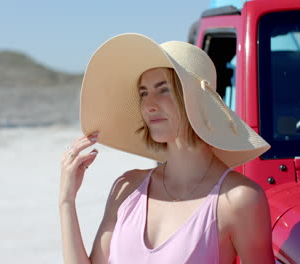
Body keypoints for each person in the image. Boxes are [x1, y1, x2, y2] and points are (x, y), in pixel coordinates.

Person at [59, 33, 275, 263]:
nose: (148, 105)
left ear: (196, 102)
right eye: (143, 93)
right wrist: (66, 200)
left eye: (163, 89)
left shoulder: (238, 199)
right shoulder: (127, 187)